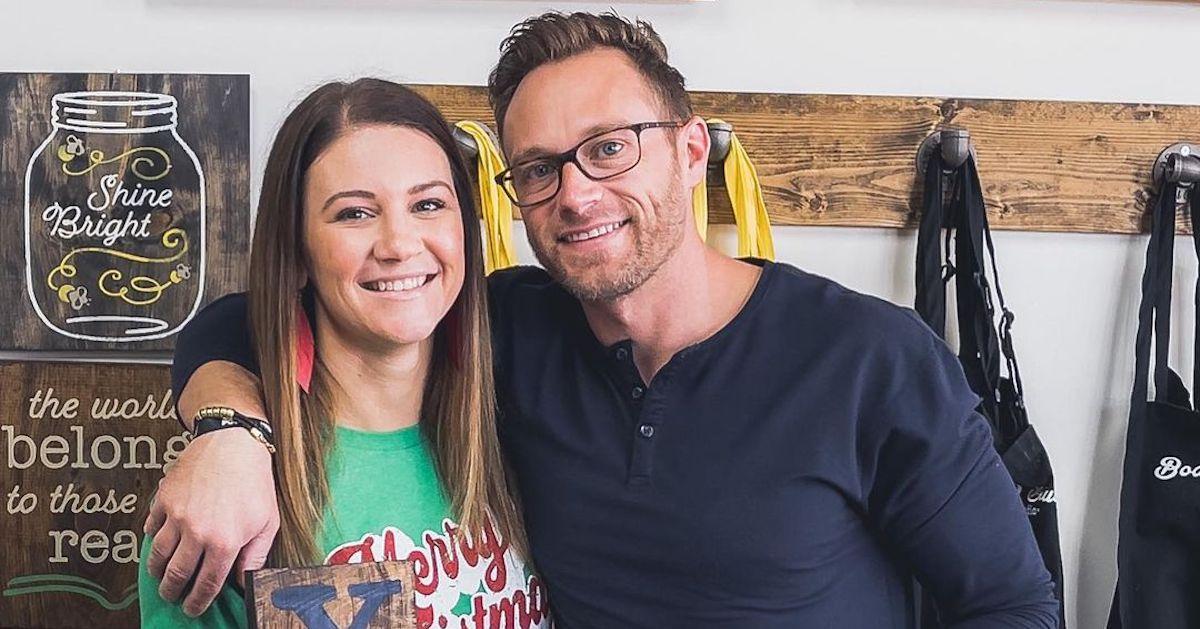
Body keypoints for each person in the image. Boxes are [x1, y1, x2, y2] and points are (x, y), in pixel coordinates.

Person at [148, 12, 1060, 628]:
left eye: (609, 148)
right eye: (539, 167)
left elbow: (1013, 606)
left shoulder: (871, 359)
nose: (577, 193)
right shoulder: (500, 335)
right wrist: (229, 427)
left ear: (693, 149)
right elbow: (250, 314)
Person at [137, 78, 549, 628]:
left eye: (428, 204)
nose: (399, 244)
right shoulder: (221, 504)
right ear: (298, 252)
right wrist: (228, 432)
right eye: (354, 213)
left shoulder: (523, 421)